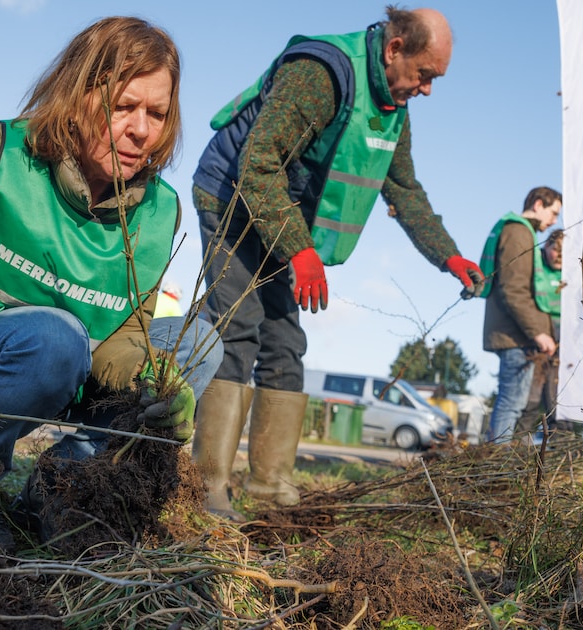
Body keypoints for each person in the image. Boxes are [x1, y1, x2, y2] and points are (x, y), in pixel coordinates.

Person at [0, 17, 222, 547]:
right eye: (123, 106)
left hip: (80, 366)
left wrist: (152, 375)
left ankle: (68, 487)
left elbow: (123, 336)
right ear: (78, 94)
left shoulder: (159, 211)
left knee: (200, 345)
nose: (142, 130)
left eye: (157, 112)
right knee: (55, 336)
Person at [191, 6, 483, 520]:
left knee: (285, 346)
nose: (428, 89)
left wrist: (449, 255)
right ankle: (208, 489)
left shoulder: (394, 105)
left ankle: (271, 490)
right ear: (395, 50)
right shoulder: (321, 74)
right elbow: (257, 163)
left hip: (282, 218)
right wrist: (300, 251)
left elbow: (404, 189)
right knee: (238, 331)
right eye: (426, 75)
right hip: (233, 197)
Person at [479, 187, 562, 443]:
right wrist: (537, 332)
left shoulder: (520, 232)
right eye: (554, 213)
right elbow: (513, 289)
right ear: (538, 204)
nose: (554, 221)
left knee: (514, 402)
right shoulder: (518, 232)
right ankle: (494, 466)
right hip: (515, 335)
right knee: (512, 403)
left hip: (516, 333)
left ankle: (498, 464)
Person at [520, 229, 564, 441]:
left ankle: (563, 460)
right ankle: (514, 455)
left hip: (565, 341)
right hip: (537, 339)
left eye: (565, 251)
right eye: (556, 250)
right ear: (546, 247)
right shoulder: (534, 265)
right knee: (528, 402)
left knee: (559, 405)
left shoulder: (578, 271)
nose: (560, 255)